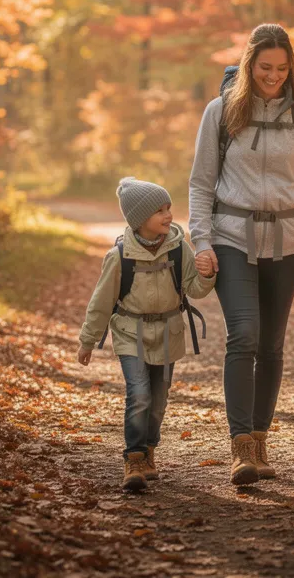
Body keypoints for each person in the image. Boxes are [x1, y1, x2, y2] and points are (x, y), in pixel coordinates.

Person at [188, 23, 294, 485]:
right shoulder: (221, 112)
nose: (273, 76)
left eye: (281, 68)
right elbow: (201, 183)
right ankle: (240, 447)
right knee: (244, 334)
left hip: (289, 243)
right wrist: (201, 240)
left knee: (271, 344)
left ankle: (259, 440)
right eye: (264, 67)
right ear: (248, 64)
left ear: (291, 66)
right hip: (231, 237)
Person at [78, 177, 215, 491]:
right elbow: (101, 303)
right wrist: (88, 340)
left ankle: (149, 448)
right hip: (131, 333)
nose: (168, 215)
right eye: (159, 211)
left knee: (158, 400)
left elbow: (194, 288)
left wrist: (207, 275)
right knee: (139, 395)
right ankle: (135, 457)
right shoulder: (119, 256)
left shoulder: (179, 249)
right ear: (140, 219)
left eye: (168, 208)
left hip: (168, 333)